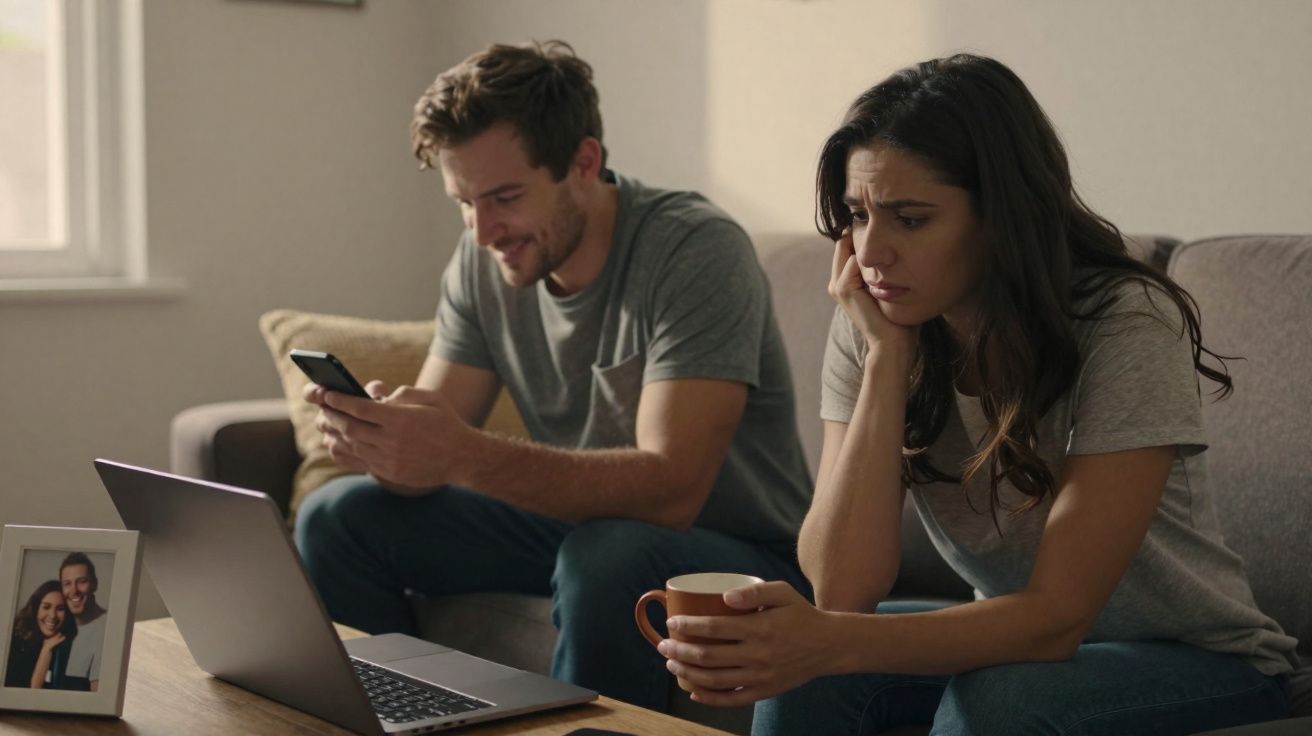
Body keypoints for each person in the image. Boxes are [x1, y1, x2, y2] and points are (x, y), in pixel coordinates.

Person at [654, 54, 1299, 735]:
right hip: (1016, 645)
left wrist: (827, 642)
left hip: (1199, 661)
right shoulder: (880, 320)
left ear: (1001, 216)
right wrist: (886, 359)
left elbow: (1056, 618)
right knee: (809, 673)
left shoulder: (1125, 322)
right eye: (858, 215)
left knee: (992, 706)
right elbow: (842, 590)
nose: (871, 253)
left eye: (910, 218)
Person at [292, 39, 813, 711]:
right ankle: (395, 722)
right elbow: (433, 445)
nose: (483, 231)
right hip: (582, 528)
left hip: (738, 558)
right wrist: (386, 442)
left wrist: (455, 451)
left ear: (583, 162)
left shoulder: (693, 250)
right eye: (464, 201)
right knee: (339, 516)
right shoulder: (486, 264)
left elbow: (673, 489)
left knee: (608, 556)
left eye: (505, 197)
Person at [5, 580, 76, 689]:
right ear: (35, 608)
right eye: (46, 607)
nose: (52, 615)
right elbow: (29, 696)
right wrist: (46, 651)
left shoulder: (65, 641)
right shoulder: (13, 640)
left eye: (60, 609)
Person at [57, 552, 107, 692]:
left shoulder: (108, 628)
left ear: (94, 584)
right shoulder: (59, 629)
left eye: (82, 582)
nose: (74, 591)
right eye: (67, 584)